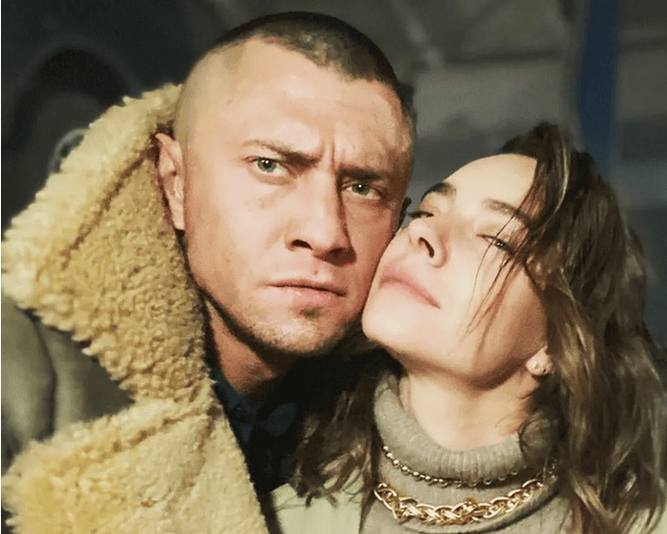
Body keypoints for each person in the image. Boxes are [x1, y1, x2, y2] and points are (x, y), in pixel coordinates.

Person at [1, 12, 414, 534]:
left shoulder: (383, 425)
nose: (325, 232)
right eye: (271, 166)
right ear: (175, 182)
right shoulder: (24, 378)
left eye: (363, 188)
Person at [270, 123, 667, 533]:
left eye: (494, 239)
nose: (423, 234)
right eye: (426, 212)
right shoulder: (272, 519)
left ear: (557, 342)